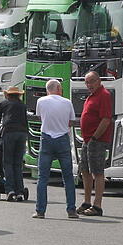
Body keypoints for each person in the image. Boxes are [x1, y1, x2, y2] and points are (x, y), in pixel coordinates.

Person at [33, 79, 79, 219]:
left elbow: (41, 118)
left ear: (48, 90)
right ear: (59, 88)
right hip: (62, 138)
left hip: (46, 138)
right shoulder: (67, 102)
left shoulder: (41, 101)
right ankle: (71, 210)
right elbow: (71, 122)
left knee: (43, 177)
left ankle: (40, 210)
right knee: (68, 176)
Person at [76, 71, 113, 216]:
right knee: (85, 170)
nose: (89, 85)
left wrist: (95, 137)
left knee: (97, 172)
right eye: (87, 82)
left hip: (96, 140)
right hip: (88, 140)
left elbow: (106, 119)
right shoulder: (92, 96)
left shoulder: (104, 95)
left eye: (91, 81)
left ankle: (97, 205)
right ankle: (87, 202)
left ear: (98, 81)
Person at [0, 85, 29, 200]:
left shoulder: (4, 104)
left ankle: (10, 189)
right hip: (22, 134)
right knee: (17, 163)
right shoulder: (22, 105)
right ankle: (20, 190)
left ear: (7, 94)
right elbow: (25, 121)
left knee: (8, 163)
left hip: (9, 133)